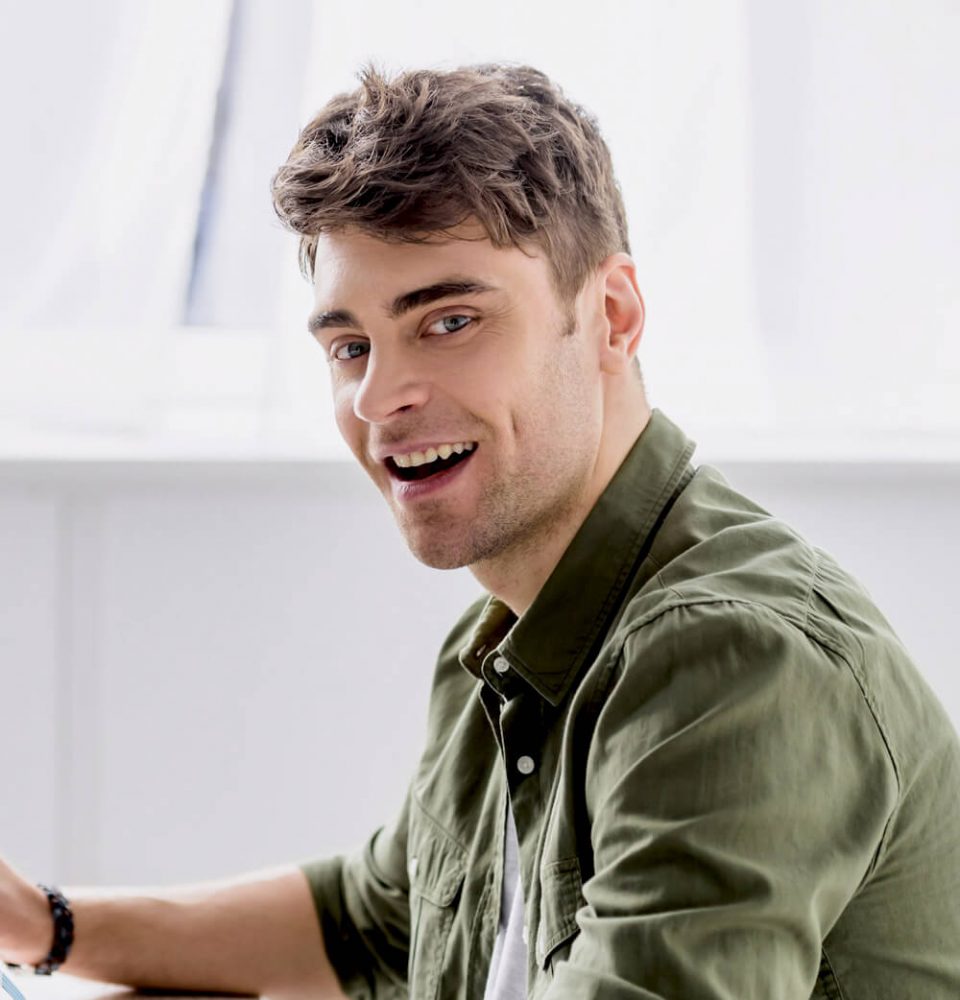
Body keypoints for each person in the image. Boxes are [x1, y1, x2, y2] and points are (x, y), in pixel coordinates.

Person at [2, 63, 959, 1000]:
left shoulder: (733, 658)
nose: (377, 397)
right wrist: (41, 927)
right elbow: (377, 925)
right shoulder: (506, 641)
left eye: (450, 321)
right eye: (351, 346)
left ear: (613, 317)